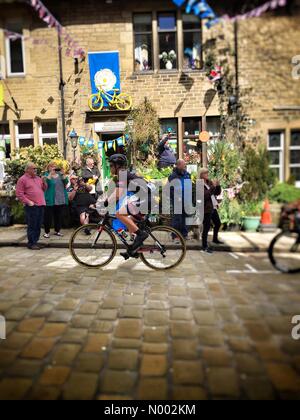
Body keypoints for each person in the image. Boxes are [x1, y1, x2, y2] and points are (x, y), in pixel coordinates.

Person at [106, 154, 149, 258]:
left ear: (117, 166)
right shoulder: (123, 174)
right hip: (143, 198)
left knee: (119, 214)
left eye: (111, 165)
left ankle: (141, 235)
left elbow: (117, 194)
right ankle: (134, 249)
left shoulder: (122, 174)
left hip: (144, 199)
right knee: (129, 220)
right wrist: (106, 199)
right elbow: (117, 192)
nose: (110, 168)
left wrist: (105, 202)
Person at [16, 162, 47, 250]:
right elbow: (19, 193)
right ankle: (31, 243)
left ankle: (35, 242)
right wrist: (28, 202)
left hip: (41, 204)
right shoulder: (22, 179)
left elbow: (44, 189)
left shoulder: (38, 178)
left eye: (36, 168)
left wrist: (44, 182)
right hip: (31, 206)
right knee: (32, 225)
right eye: (34, 168)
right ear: (28, 169)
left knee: (38, 224)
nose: (35, 170)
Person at [198, 168, 222, 254]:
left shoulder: (209, 182)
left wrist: (218, 186)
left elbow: (216, 193)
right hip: (206, 209)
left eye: (207, 173)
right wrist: (213, 187)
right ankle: (204, 246)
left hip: (213, 207)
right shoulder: (199, 184)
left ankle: (215, 239)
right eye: (205, 173)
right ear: (201, 174)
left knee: (218, 223)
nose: (207, 174)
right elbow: (204, 196)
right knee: (206, 228)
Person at [43, 162, 69, 239]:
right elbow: (45, 184)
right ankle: (46, 232)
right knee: (48, 216)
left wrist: (63, 174)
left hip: (60, 198)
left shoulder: (60, 175)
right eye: (52, 166)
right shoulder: (46, 175)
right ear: (48, 168)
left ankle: (57, 230)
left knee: (58, 216)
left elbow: (66, 183)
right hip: (50, 199)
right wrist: (50, 174)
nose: (54, 168)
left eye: (55, 166)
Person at [168, 159, 192, 241]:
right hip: (177, 201)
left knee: (185, 218)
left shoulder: (187, 175)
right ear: (178, 165)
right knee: (177, 218)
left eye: (184, 164)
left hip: (186, 200)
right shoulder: (173, 176)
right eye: (183, 164)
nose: (184, 166)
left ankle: (184, 234)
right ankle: (175, 236)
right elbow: (170, 189)